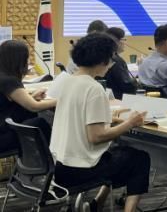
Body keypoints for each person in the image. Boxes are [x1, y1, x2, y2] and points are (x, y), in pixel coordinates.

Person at [50, 32, 150, 212]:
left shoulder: (66, 81)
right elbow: (96, 137)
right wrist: (130, 123)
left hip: (59, 166)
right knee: (139, 158)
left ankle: (97, 203)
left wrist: (109, 118)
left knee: (118, 153)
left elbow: (77, 116)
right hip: (80, 170)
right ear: (103, 59)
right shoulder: (94, 88)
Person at [0, 40, 56, 153]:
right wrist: (60, 100)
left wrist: (32, 97)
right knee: (40, 123)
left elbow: (9, 104)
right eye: (27, 57)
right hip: (3, 138)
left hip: (3, 131)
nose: (28, 61)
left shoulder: (3, 76)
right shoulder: (9, 81)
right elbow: (33, 107)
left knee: (31, 116)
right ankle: (52, 159)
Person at [100, 27, 138, 99]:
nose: (125, 43)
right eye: (124, 39)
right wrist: (137, 83)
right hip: (120, 99)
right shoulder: (116, 61)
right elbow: (126, 86)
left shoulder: (103, 57)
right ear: (117, 41)